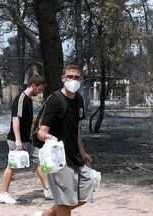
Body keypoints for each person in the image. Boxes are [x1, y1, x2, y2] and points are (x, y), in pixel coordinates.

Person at [34, 64, 93, 216]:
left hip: (76, 157)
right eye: (70, 77)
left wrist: (83, 152)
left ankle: (47, 214)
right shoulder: (55, 100)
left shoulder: (79, 99)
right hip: (60, 160)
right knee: (65, 203)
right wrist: (46, 136)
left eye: (76, 77)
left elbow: (75, 129)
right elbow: (41, 131)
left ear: (81, 79)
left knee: (85, 195)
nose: (73, 80)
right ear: (63, 78)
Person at [0, 75, 53, 204]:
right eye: (39, 89)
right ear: (33, 85)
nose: (40, 92)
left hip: (27, 140)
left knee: (39, 159)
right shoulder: (21, 99)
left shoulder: (28, 100)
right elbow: (16, 118)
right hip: (17, 140)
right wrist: (18, 140)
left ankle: (47, 189)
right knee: (12, 165)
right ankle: (3, 194)